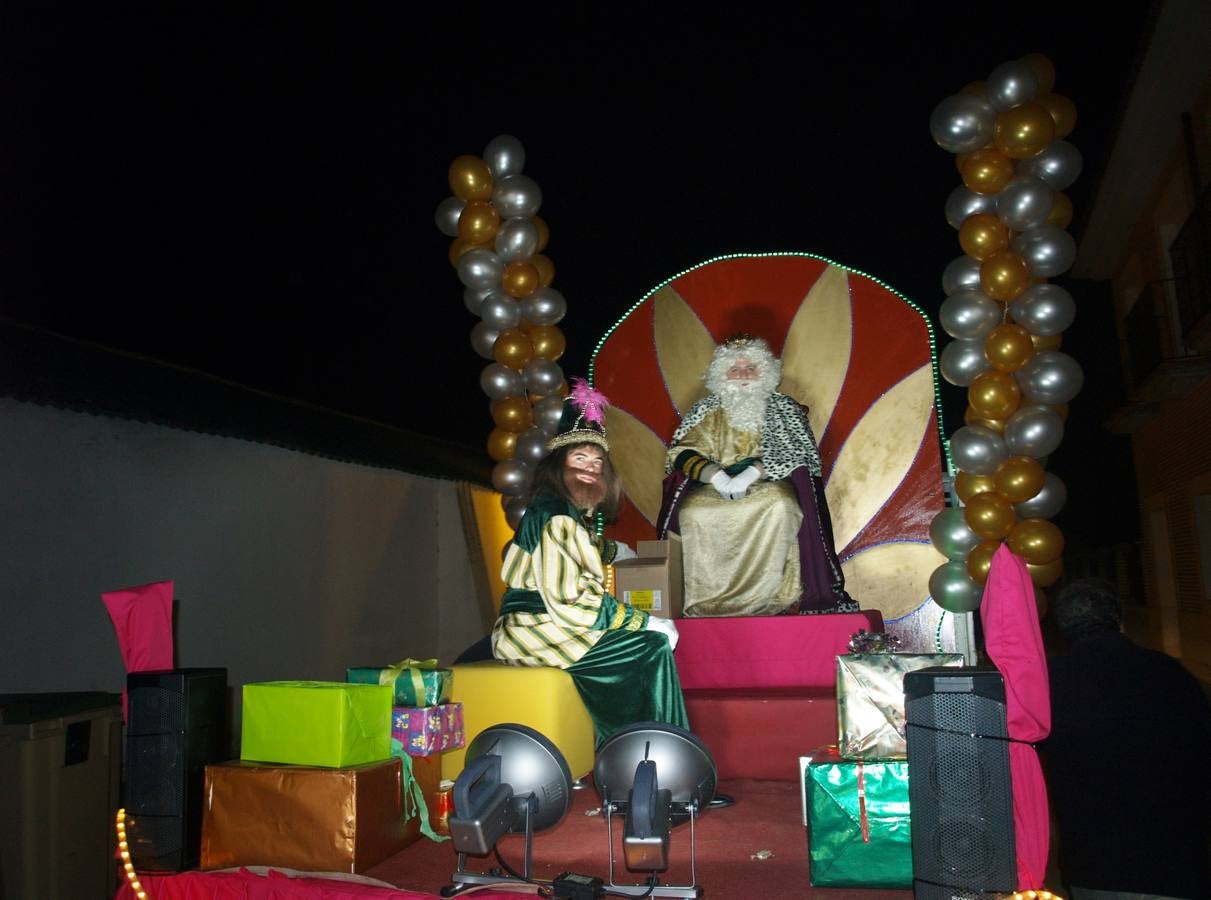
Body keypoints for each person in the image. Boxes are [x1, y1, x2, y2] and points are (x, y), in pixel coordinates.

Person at [492, 379, 689, 747]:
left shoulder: (556, 511)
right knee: (649, 647)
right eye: (579, 458)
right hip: (539, 631)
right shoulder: (559, 518)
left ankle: (634, 749)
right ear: (558, 464)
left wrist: (615, 551)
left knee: (640, 642)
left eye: (597, 462)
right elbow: (573, 603)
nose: (591, 468)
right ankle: (656, 755)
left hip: (539, 626)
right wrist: (644, 620)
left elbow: (581, 552)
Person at [657, 334, 854, 615]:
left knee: (781, 505)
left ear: (765, 371)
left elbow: (800, 452)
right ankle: (707, 603)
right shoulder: (705, 410)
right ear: (721, 374)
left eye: (750, 368)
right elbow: (682, 452)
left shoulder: (783, 407)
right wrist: (716, 476)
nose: (743, 375)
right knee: (693, 512)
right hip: (715, 487)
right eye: (735, 369)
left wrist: (753, 472)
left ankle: (772, 600)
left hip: (768, 483)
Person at [1043, 578, 1211, 899]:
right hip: (1174, 864)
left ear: (1065, 629)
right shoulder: (1170, 674)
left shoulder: (1052, 682)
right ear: (1120, 621)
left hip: (1092, 867)